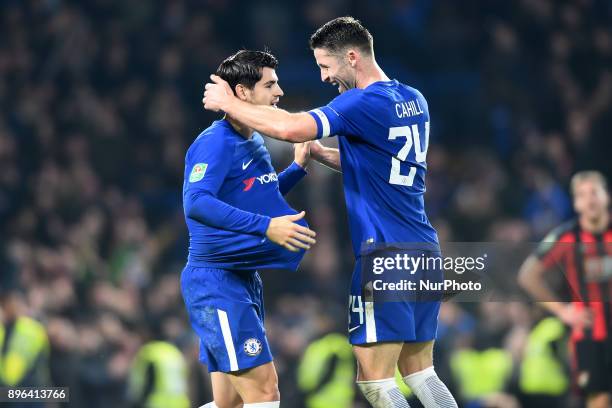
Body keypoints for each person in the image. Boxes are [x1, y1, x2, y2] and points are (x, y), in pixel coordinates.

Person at [203, 17, 457, 408]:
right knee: (421, 373)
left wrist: (228, 102)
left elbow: (290, 128)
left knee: (376, 381)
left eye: (326, 66)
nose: (324, 77)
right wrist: (324, 155)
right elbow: (385, 166)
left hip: (384, 255)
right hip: (424, 250)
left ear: (352, 57)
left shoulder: (359, 101)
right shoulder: (413, 98)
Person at [182, 49, 317, 408]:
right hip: (215, 281)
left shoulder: (253, 138)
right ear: (243, 93)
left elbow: (253, 196)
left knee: (231, 403)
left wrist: (297, 170)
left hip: (241, 278)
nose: (280, 92)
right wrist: (266, 227)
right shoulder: (215, 142)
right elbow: (196, 202)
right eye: (270, 84)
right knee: (265, 392)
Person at [519, 170, 611, 408]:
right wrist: (563, 311)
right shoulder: (566, 236)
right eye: (582, 195)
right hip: (589, 335)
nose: (589, 200)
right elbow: (528, 275)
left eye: (594, 193)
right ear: (576, 203)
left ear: (606, 197)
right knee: (599, 399)